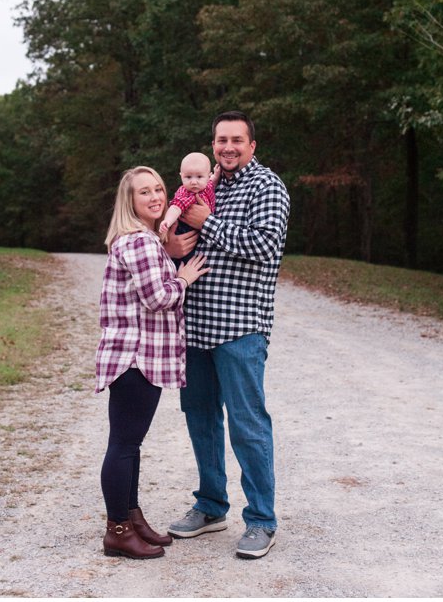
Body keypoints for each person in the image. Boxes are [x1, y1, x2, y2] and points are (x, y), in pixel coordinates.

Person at [164, 111, 290, 559]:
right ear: (213, 144)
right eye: (222, 140)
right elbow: (171, 231)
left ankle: (261, 520)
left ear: (252, 145)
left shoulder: (267, 187)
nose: (229, 147)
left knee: (247, 424)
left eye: (237, 139)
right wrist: (171, 247)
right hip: (193, 326)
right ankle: (211, 506)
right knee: (200, 418)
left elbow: (265, 245)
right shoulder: (200, 184)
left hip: (240, 328)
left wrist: (207, 221)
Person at [95, 166, 210, 560]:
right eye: (144, 192)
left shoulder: (142, 240)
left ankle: (132, 517)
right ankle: (118, 531)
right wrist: (184, 278)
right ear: (130, 201)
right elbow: (158, 297)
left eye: (159, 188)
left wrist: (168, 251)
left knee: (130, 444)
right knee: (124, 445)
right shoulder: (139, 243)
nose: (156, 197)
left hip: (136, 358)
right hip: (135, 359)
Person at [158, 152, 220, 246]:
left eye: (199, 177)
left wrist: (216, 175)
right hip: (185, 231)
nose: (194, 182)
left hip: (203, 230)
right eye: (188, 177)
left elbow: (213, 181)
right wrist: (167, 221)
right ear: (181, 176)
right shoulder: (187, 194)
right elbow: (175, 208)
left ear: (208, 176)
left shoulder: (207, 186)